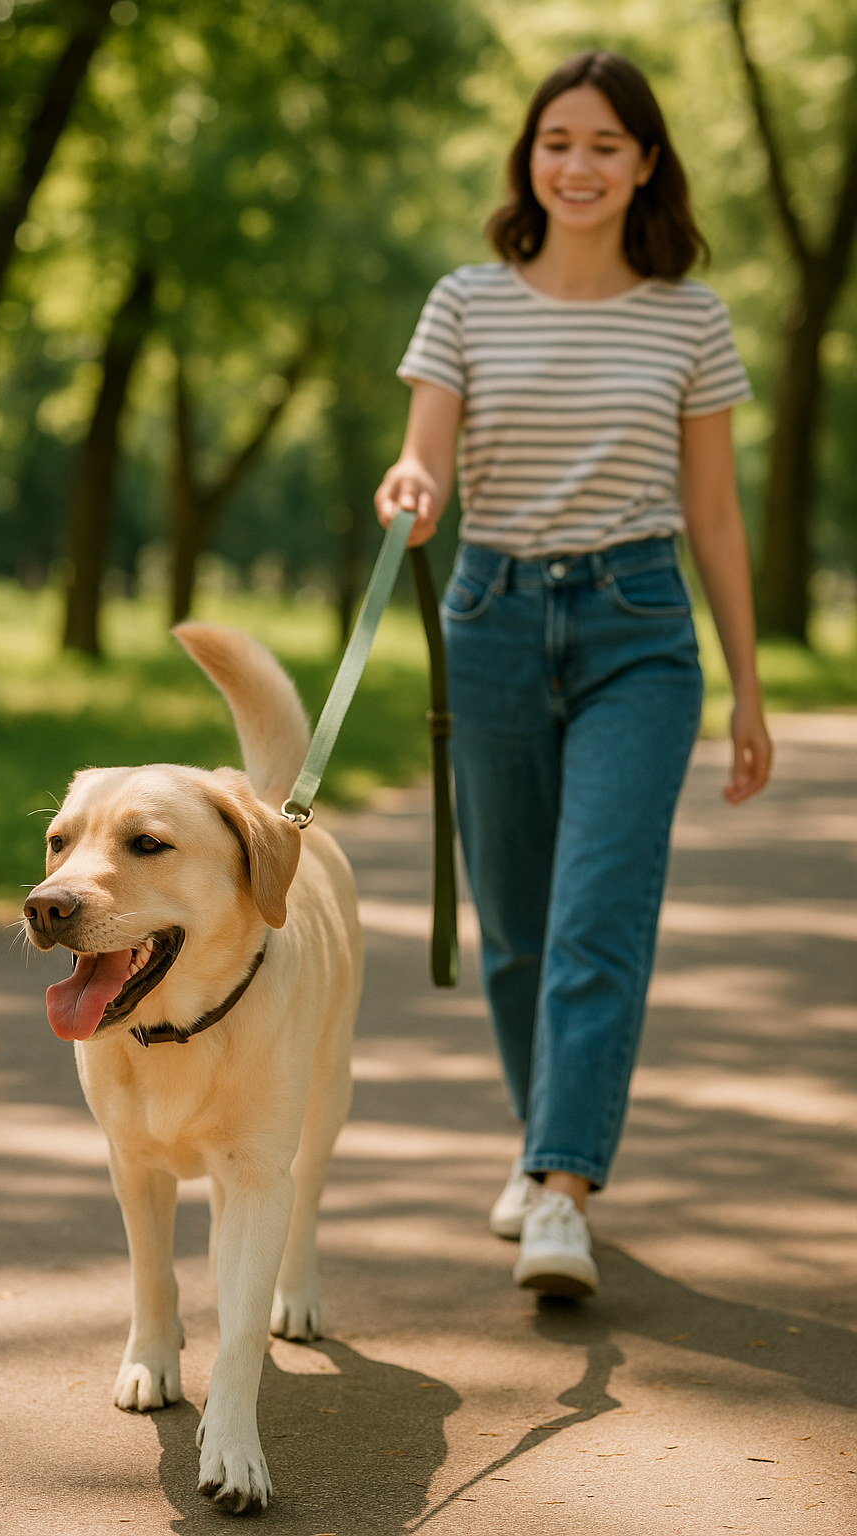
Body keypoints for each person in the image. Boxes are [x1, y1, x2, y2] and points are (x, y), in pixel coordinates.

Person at [375, 50, 772, 1299]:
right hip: (491, 616)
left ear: (645, 163)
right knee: (514, 930)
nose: (578, 165)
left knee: (595, 917)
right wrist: (411, 487)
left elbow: (714, 514)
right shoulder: (464, 302)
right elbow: (425, 454)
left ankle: (561, 1190)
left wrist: (749, 687)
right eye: (557, 142)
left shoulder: (689, 318)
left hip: (636, 628)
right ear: (528, 158)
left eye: (605, 144)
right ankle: (540, 1138)